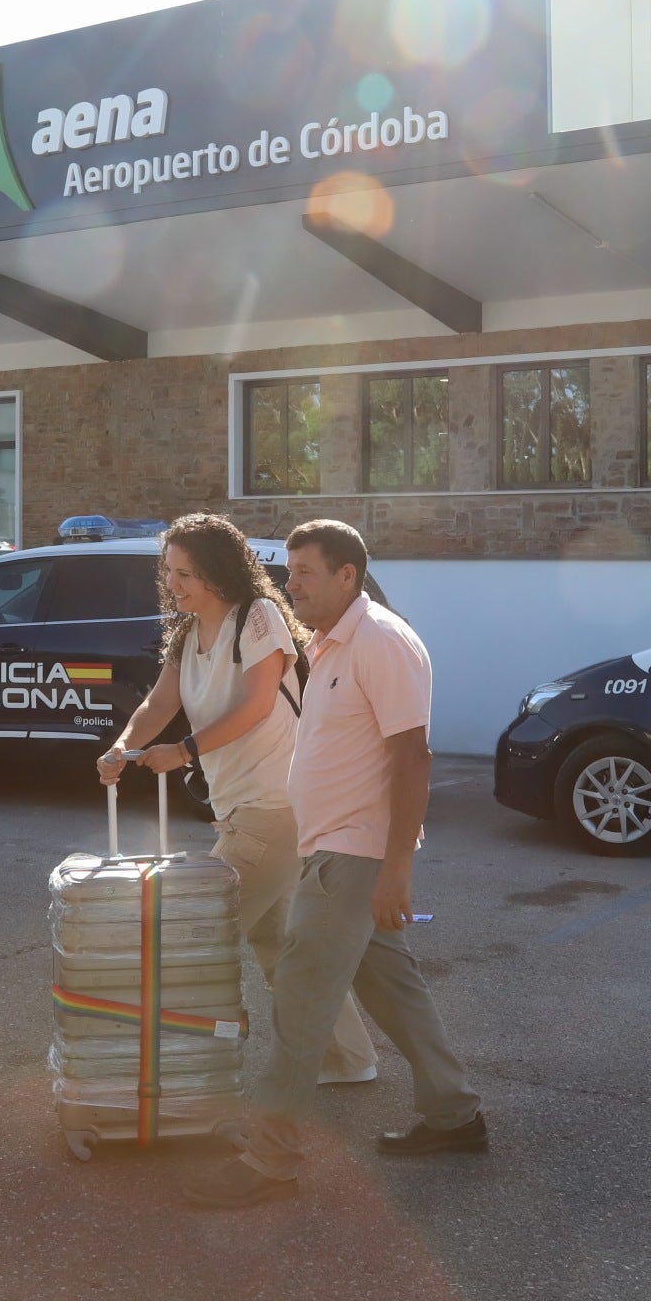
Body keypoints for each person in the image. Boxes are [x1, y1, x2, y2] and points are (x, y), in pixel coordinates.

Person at [188, 519, 484, 1210]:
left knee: (300, 998)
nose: (292, 586)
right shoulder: (328, 644)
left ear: (347, 574)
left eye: (305, 574)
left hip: (355, 857)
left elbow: (413, 758)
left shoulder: (381, 641)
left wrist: (395, 871)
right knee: (395, 993)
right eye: (289, 572)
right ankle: (456, 1115)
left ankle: (271, 1159)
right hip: (331, 848)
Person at [98, 514, 380, 1088]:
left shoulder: (259, 616)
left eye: (187, 573)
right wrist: (123, 747)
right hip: (240, 806)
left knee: (199, 937)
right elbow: (158, 704)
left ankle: (178, 1070)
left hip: (273, 805)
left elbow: (255, 704)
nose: (174, 584)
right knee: (280, 942)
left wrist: (185, 751)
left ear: (218, 570)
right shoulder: (187, 630)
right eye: (169, 572)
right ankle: (349, 1059)